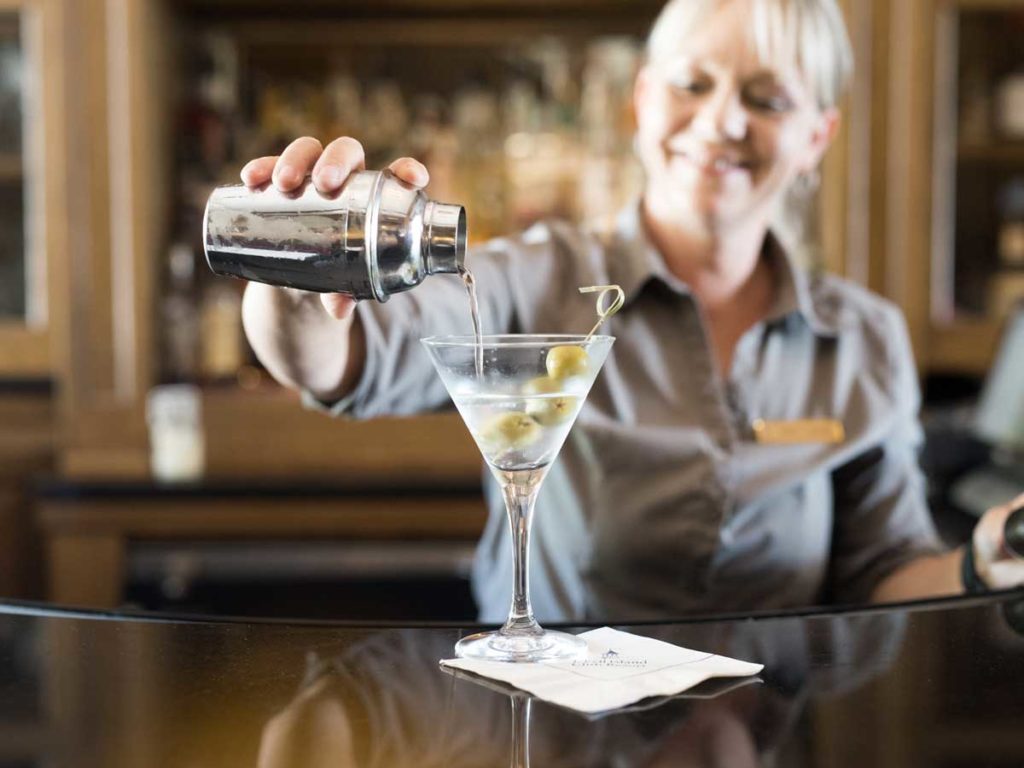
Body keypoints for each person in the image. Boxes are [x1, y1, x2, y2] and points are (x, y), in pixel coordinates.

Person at [238, 0, 1024, 622]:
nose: (722, 121)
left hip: (773, 740)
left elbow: (886, 569)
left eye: (767, 97)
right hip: (553, 738)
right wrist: (299, 280)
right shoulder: (537, 279)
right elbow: (350, 358)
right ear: (641, 101)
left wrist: (982, 557)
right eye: (692, 84)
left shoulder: (863, 340)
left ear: (818, 136)